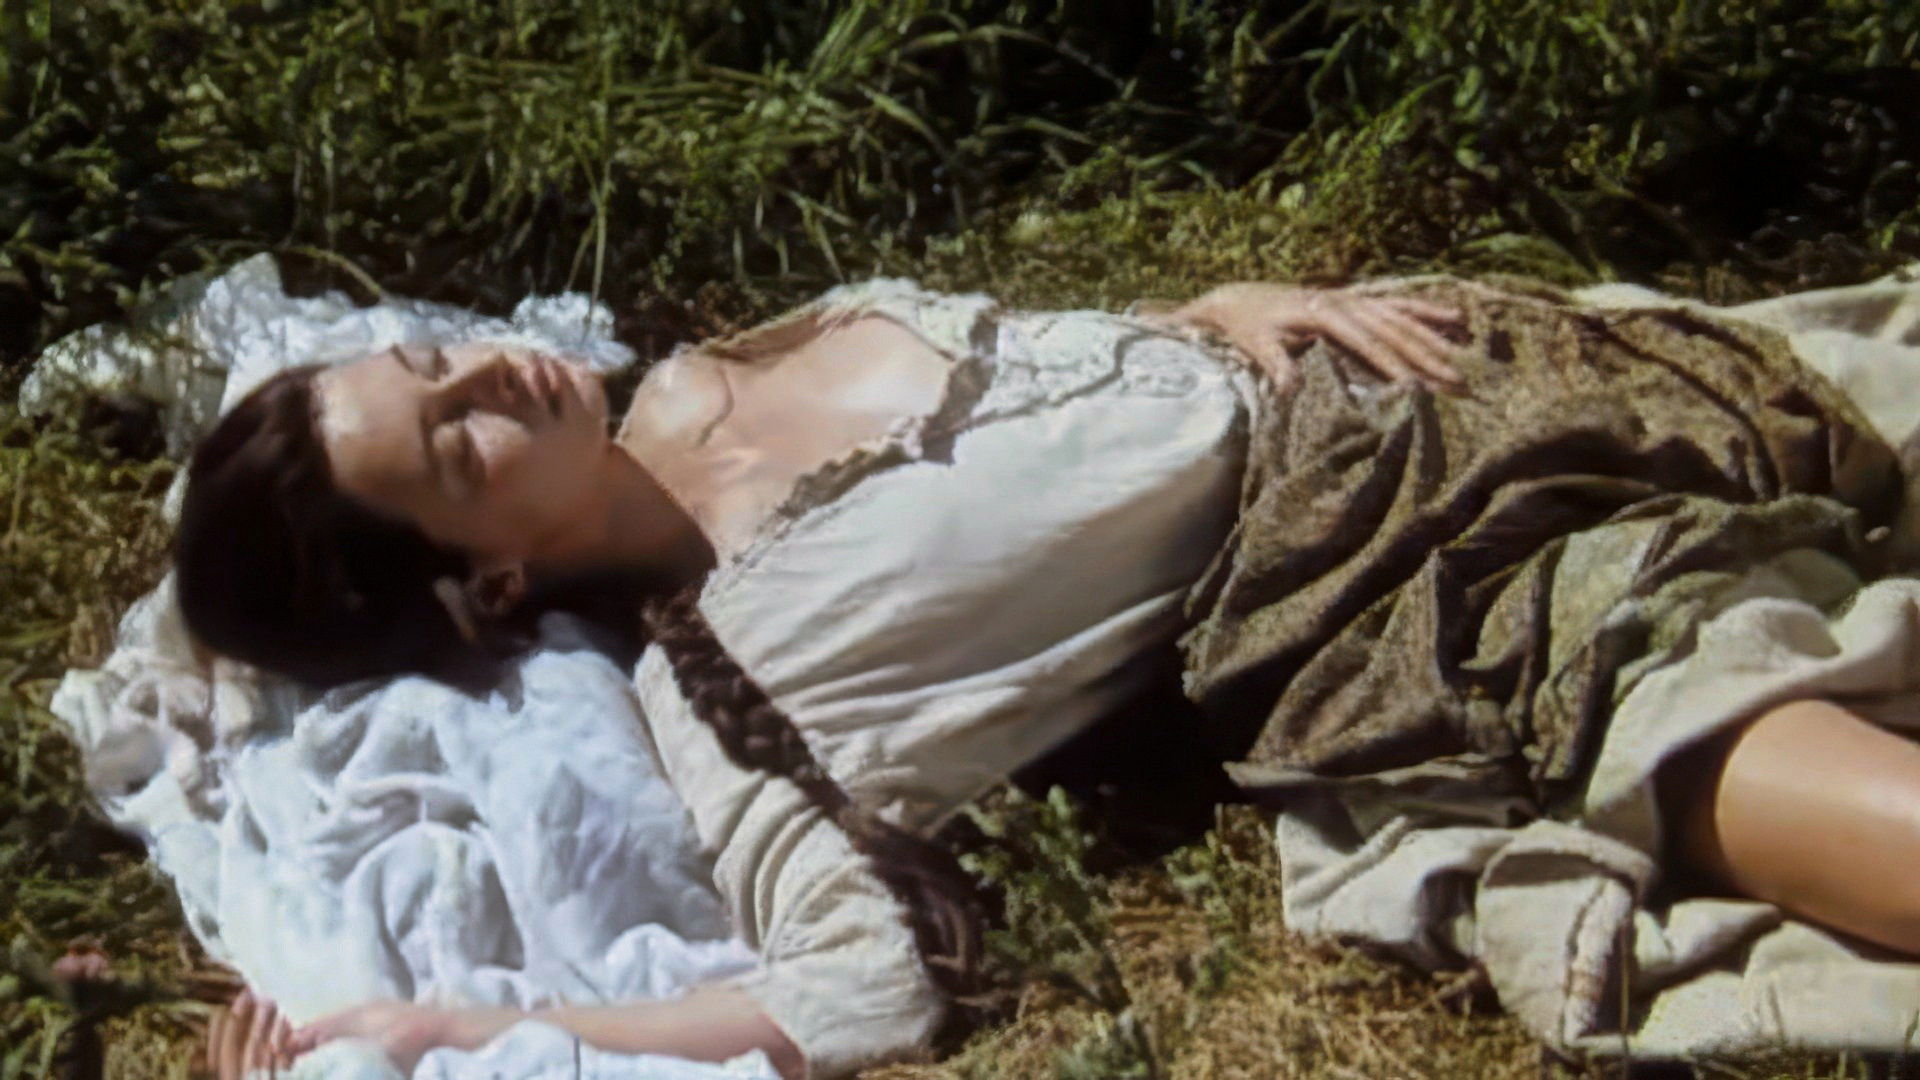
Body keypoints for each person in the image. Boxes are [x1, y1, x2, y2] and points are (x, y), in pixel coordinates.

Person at [173, 271, 1920, 1077]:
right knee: (1755, 742)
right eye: (455, 446)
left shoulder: (706, 370)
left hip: (1503, 365)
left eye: (433, 359)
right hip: (1432, 591)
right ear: (485, 584)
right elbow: (850, 991)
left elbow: (1057, 390)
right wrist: (465, 1031)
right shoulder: (729, 681)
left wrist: (1214, 308)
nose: (489, 378)